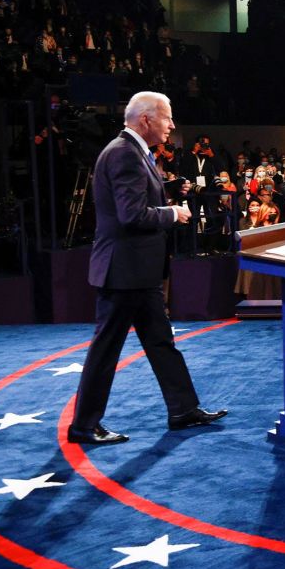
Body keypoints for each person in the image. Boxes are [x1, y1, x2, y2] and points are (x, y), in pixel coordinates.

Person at [67, 92, 226, 446]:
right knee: (106, 349)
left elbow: (132, 200)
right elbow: (131, 216)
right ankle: (83, 425)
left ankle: (184, 409)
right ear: (146, 120)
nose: (172, 125)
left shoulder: (131, 150)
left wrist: (165, 189)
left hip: (136, 272)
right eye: (167, 118)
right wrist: (173, 213)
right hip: (124, 273)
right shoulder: (125, 153)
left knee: (160, 342)